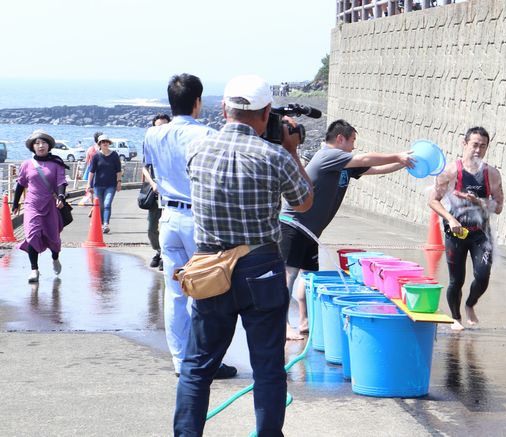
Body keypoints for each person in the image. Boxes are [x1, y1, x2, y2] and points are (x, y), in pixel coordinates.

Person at [174, 74, 313, 436]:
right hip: (261, 266)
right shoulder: (274, 156)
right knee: (267, 367)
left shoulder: (197, 150)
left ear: (224, 108)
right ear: (267, 112)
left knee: (197, 367)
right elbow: (304, 201)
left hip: (209, 266)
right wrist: (290, 149)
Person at [280, 119, 414, 339]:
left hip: (311, 231)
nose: (353, 146)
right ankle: (282, 325)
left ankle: (304, 321)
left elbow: (375, 168)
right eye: (352, 141)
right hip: (293, 225)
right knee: (289, 276)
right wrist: (397, 154)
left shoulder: (344, 164)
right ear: (340, 139)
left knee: (310, 278)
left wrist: (404, 162)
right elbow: (365, 158)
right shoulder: (328, 155)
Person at [142, 73, 237, 380]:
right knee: (206, 294)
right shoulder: (207, 135)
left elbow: (152, 168)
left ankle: (181, 361)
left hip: (167, 217)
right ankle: (205, 360)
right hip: (199, 220)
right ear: (198, 102)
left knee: (175, 294)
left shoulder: (152, 135)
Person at [428, 127, 504, 331]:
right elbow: (433, 201)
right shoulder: (451, 171)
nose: (478, 150)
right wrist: (451, 219)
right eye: (475, 145)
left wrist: (477, 201)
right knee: (456, 279)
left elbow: (498, 207)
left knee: (482, 276)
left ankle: (470, 304)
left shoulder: (492, 174)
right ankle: (456, 317)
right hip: (456, 232)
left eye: (483, 146)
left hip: (481, 234)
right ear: (465, 144)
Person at [11, 130, 69, 283]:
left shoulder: (57, 163)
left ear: (49, 145)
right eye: (37, 143)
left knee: (54, 238)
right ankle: (34, 270)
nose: (40, 145)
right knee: (32, 236)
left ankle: (55, 258)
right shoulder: (27, 164)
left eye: (43, 143)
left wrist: (61, 196)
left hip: (51, 205)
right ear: (33, 147)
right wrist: (16, 203)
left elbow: (61, 182)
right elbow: (20, 184)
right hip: (32, 205)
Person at [141, 113, 171, 271]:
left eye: (164, 126)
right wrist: (152, 183)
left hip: (171, 193)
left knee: (168, 227)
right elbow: (145, 166)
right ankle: (159, 250)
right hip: (155, 192)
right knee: (152, 228)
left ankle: (165, 256)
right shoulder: (149, 143)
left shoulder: (173, 143)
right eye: (157, 126)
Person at [86, 134, 122, 234]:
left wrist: (119, 182)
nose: (105, 143)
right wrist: (89, 184)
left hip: (111, 185)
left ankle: (106, 224)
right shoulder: (96, 156)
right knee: (100, 205)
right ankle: (100, 224)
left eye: (106, 141)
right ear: (100, 144)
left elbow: (118, 170)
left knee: (107, 204)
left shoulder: (114, 155)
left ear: (109, 143)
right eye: (103, 142)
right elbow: (91, 171)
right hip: (98, 185)